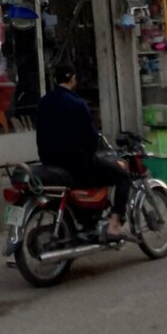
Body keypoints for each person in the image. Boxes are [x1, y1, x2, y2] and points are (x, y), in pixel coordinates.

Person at [36, 62, 130, 241]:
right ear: (72, 79)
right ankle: (114, 225)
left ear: (55, 80)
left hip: (50, 163)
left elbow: (40, 135)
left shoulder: (44, 102)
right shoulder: (78, 105)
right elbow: (90, 140)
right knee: (122, 176)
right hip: (76, 164)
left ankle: (89, 220)